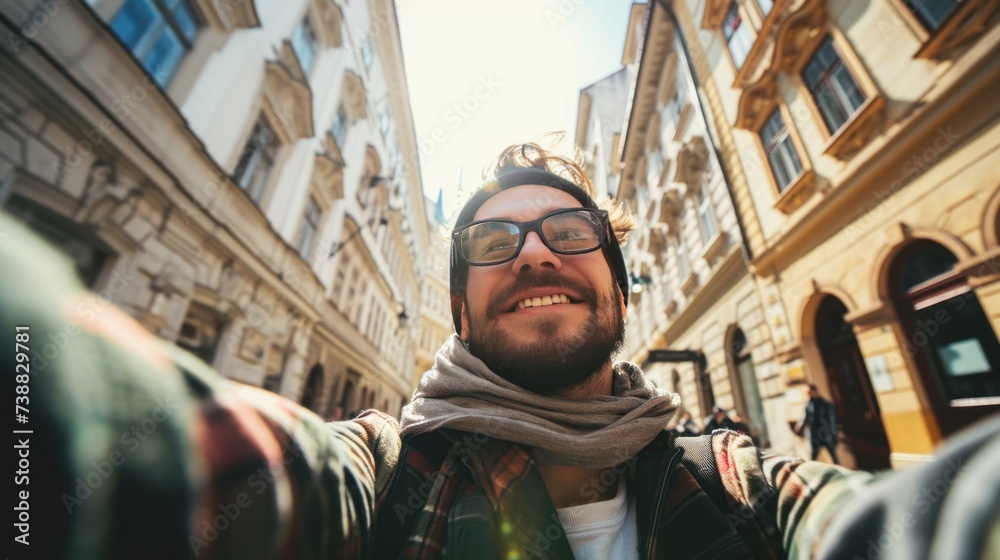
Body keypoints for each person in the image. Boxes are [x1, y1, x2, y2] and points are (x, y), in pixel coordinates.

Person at [3, 142, 1000, 560]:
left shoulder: (736, 481)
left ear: (616, 278)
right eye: (494, 242)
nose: (532, 251)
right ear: (460, 303)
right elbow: (188, 464)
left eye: (568, 232)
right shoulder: (387, 471)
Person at [796, 384, 840, 465]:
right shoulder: (809, 404)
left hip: (825, 434)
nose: (808, 394)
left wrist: (832, 433)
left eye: (810, 392)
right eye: (807, 392)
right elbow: (806, 417)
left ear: (814, 391)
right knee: (813, 457)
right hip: (815, 434)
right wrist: (800, 425)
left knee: (833, 456)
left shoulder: (824, 404)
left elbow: (831, 419)